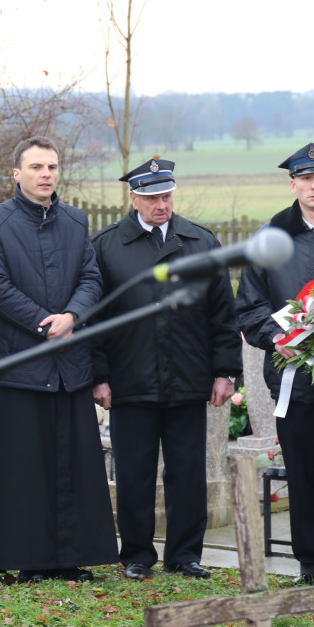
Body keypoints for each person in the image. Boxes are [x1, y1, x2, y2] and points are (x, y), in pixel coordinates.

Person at [0, 136, 117, 582]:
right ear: (17, 174)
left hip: (70, 366)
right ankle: (28, 560)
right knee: (23, 469)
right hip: (21, 365)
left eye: (51, 166)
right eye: (35, 167)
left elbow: (91, 277)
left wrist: (72, 316)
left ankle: (69, 559)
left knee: (72, 464)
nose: (45, 174)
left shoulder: (75, 220)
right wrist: (42, 323)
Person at [91, 159, 240, 581]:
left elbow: (222, 314)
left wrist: (225, 371)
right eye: (153, 197)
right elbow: (94, 318)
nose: (162, 204)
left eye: (167, 196)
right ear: (133, 198)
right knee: (134, 473)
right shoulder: (106, 246)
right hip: (130, 379)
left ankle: (185, 555)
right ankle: (136, 554)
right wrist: (99, 376)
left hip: (188, 378)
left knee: (188, 473)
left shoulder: (200, 242)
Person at [235, 142, 314, 585]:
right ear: (292, 184)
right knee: (302, 475)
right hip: (292, 381)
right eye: (306, 179)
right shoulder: (269, 239)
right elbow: (249, 306)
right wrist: (274, 337)